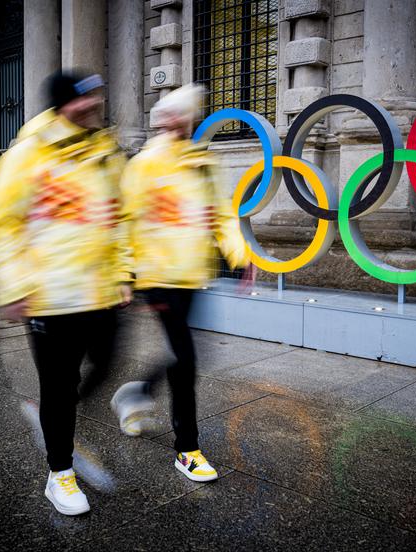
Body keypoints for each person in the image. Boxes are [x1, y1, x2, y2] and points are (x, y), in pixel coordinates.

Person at [0, 70, 132, 516]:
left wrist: (124, 272)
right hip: (49, 295)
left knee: (106, 363)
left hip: (101, 290)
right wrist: (12, 287)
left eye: (97, 96)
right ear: (64, 104)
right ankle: (59, 474)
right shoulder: (27, 156)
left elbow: (118, 217)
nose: (93, 104)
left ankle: (54, 417)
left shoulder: (106, 152)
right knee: (59, 384)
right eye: (84, 98)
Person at [110, 83, 250, 482]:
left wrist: (238, 256)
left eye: (183, 117)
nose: (176, 123)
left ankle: (138, 392)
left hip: (192, 275)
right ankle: (187, 449)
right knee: (185, 358)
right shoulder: (144, 165)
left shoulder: (200, 163)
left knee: (183, 353)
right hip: (157, 277)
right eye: (170, 116)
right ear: (160, 119)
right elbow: (124, 222)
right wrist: (126, 275)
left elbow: (220, 214)